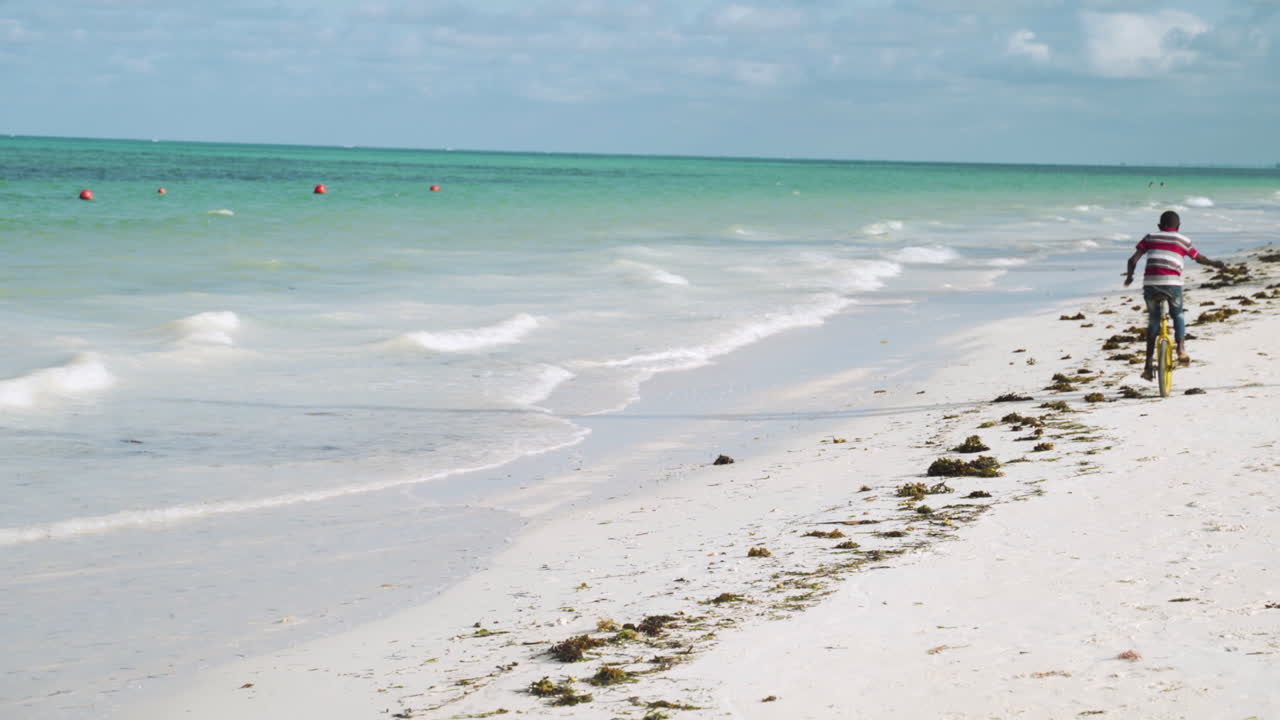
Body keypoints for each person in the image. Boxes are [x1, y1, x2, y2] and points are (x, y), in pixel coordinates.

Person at [1124, 210, 1227, 380]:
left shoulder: (1150, 237)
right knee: (1178, 314)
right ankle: (1180, 349)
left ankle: (1148, 366)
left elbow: (1132, 260)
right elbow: (1198, 258)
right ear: (1178, 227)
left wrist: (1129, 277)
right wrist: (1214, 264)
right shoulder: (1183, 240)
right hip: (1172, 285)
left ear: (1159, 226)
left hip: (1151, 285)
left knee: (1153, 321)